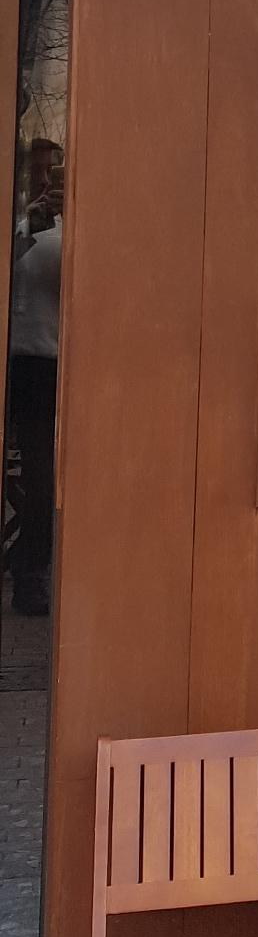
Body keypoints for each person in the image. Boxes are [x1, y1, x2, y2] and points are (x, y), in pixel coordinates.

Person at [6, 138, 63, 615]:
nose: (45, 180)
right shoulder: (17, 221)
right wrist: (29, 225)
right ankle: (29, 574)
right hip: (21, 365)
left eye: (54, 172)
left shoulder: (81, 224)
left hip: (66, 365)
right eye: (37, 170)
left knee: (51, 480)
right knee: (40, 478)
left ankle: (30, 565)